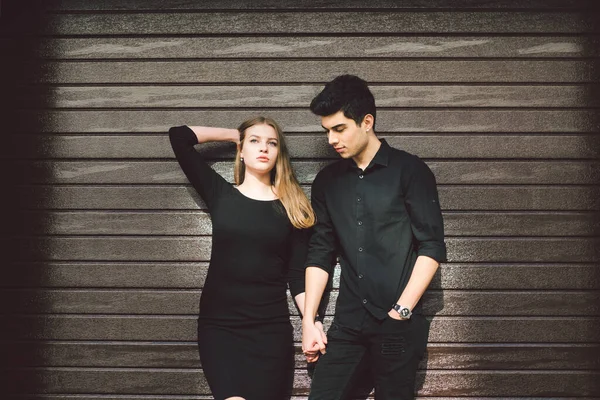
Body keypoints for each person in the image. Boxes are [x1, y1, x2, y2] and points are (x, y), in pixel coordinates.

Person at [301, 75, 447, 399]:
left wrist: (402, 311)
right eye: (326, 130)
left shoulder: (410, 171)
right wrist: (309, 321)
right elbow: (320, 252)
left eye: (339, 129)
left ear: (367, 121)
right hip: (349, 322)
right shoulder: (327, 182)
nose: (331, 139)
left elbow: (432, 247)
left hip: (397, 323)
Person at [169, 117, 326, 400]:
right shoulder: (220, 194)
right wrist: (235, 135)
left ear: (279, 153)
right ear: (242, 150)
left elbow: (296, 275)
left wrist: (311, 322)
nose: (263, 148)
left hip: (270, 332)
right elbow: (179, 137)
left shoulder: (295, 207)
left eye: (272, 143)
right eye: (255, 141)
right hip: (220, 329)